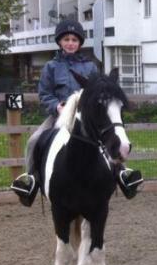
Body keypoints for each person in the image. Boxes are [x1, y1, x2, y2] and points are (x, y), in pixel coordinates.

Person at [10, 19, 142, 206]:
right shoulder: (51, 67)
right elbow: (45, 93)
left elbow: (99, 91)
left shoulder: (90, 67)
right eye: (66, 39)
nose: (70, 43)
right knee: (35, 140)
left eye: (74, 40)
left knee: (109, 139)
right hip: (60, 116)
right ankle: (31, 180)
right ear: (60, 42)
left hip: (86, 117)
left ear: (79, 43)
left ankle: (123, 174)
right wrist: (56, 106)